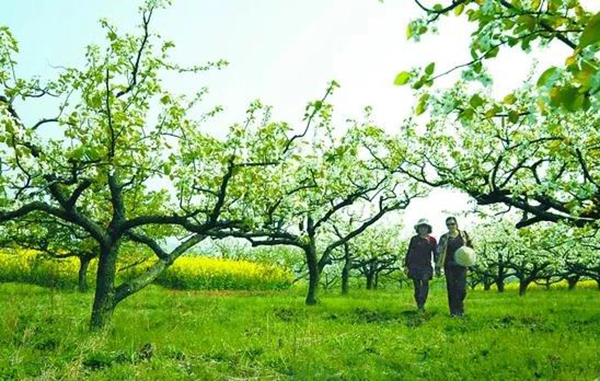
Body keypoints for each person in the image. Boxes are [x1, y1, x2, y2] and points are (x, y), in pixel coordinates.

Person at [437, 216, 474, 317]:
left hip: (462, 265)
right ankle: (454, 312)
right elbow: (439, 251)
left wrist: (471, 263)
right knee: (451, 288)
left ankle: (460, 308)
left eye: (452, 224)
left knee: (461, 289)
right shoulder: (444, 237)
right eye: (448, 224)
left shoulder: (463, 235)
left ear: (456, 224)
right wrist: (438, 266)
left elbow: (470, 248)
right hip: (449, 265)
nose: (451, 226)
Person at [404, 218, 438, 312]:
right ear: (418, 229)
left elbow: (435, 254)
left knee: (425, 282)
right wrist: (406, 265)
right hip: (414, 265)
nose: (423, 229)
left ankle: (422, 302)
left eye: (425, 227)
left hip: (426, 266)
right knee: (417, 286)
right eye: (421, 227)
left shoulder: (432, 240)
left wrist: (437, 265)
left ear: (428, 229)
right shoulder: (414, 239)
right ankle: (419, 304)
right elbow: (409, 252)